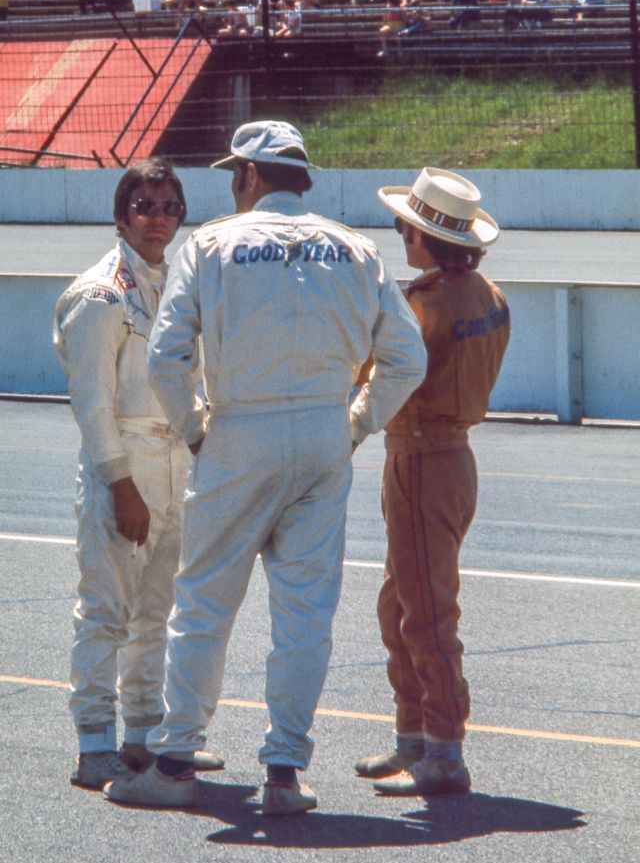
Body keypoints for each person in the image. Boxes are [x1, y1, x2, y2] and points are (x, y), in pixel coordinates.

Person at [104, 120, 427, 813]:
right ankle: (284, 770)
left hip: (238, 430)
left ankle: (175, 758)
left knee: (204, 603)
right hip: (321, 430)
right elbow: (408, 359)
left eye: (234, 173)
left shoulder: (212, 244)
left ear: (249, 176)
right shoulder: (356, 248)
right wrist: (355, 422)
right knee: (306, 612)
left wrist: (195, 430)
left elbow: (167, 357)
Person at [53, 158, 224, 791]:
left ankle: (143, 734)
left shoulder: (176, 286)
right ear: (122, 215)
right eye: (146, 206)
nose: (160, 218)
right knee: (106, 611)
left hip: (177, 463)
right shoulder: (101, 296)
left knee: (160, 611)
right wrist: (122, 485)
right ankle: (94, 740)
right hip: (120, 464)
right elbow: (92, 405)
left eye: (171, 207)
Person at [354, 167, 510, 797]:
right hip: (454, 457)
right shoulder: (488, 294)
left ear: (424, 238)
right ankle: (415, 737)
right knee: (404, 601)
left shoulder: (423, 305)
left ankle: (442, 751)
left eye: (404, 227)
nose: (400, 236)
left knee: (424, 611)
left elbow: (380, 368)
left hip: (419, 456)